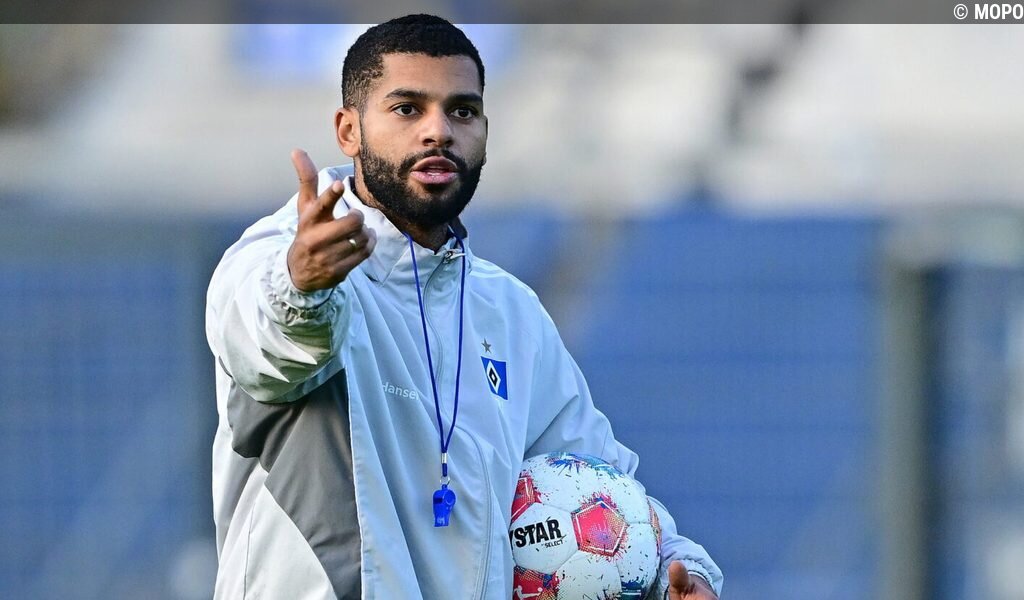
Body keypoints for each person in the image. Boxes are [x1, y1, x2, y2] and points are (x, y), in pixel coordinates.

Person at [206, 15, 723, 600]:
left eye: (462, 111)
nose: (439, 132)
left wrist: (678, 569)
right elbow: (270, 348)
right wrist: (302, 289)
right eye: (407, 108)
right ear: (349, 131)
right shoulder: (272, 261)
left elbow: (592, 473)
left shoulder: (510, 311)